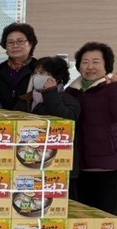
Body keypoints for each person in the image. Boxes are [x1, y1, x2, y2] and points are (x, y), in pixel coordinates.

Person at [66, 42, 117, 212]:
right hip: (78, 166)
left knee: (107, 216)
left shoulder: (112, 89)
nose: (90, 67)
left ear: (106, 65)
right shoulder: (71, 92)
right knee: (84, 216)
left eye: (96, 62)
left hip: (107, 166)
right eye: (85, 62)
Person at [0, 22, 38, 109]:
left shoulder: (40, 69)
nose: (15, 46)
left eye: (20, 41)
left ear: (30, 44)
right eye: (10, 42)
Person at [15, 56, 80, 119]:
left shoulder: (68, 100)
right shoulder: (26, 99)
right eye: (35, 73)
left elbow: (67, 119)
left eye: (42, 73)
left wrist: (50, 92)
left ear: (56, 78)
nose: (36, 76)